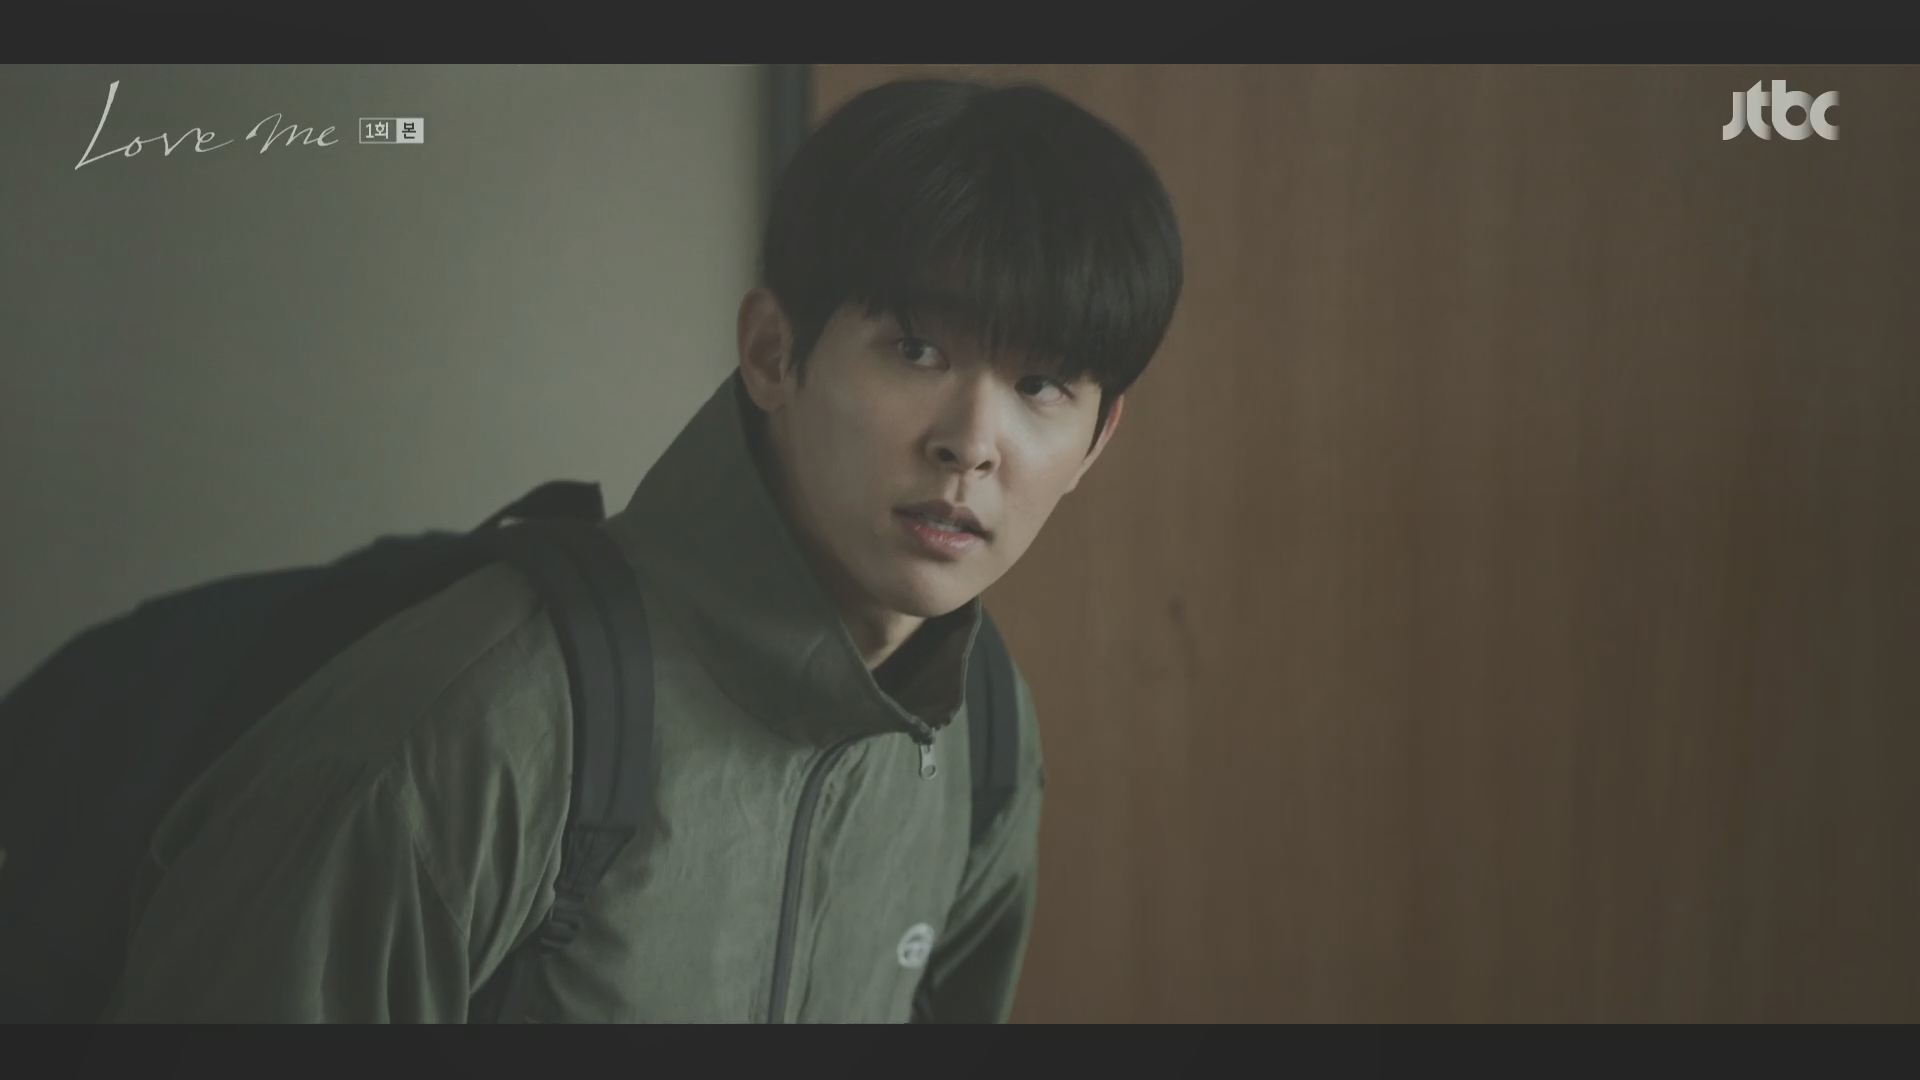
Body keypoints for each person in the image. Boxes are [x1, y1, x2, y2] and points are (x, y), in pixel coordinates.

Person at [103, 74, 1183, 1023]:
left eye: (1042, 384)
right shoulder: (473, 730)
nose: (972, 443)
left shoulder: (982, 728)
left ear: (1097, 440)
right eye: (915, 349)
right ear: (772, 353)